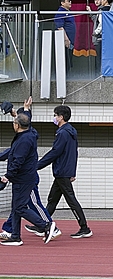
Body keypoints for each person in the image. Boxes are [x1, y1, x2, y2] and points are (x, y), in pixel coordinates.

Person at [0, 113, 58, 246]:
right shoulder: (28, 135)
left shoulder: (24, 139)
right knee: (16, 207)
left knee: (20, 208)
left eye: (14, 123)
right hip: (23, 178)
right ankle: (15, 236)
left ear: (17, 125)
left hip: (23, 178)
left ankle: (45, 226)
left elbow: (18, 160)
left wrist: (7, 176)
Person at [36, 105, 88, 238]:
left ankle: (84, 228)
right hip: (64, 170)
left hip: (61, 171)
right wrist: (72, 171)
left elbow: (55, 152)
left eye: (55, 115)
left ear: (61, 117)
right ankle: (42, 224)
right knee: (53, 199)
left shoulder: (63, 133)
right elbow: (73, 153)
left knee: (71, 200)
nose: (54, 118)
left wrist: (37, 165)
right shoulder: (71, 132)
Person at [53, 0, 76, 65]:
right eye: (68, 1)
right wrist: (66, 39)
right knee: (65, 63)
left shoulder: (68, 12)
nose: (70, 2)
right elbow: (60, 27)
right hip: (65, 42)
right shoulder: (60, 12)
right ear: (62, 3)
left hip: (70, 42)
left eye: (70, 0)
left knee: (69, 62)